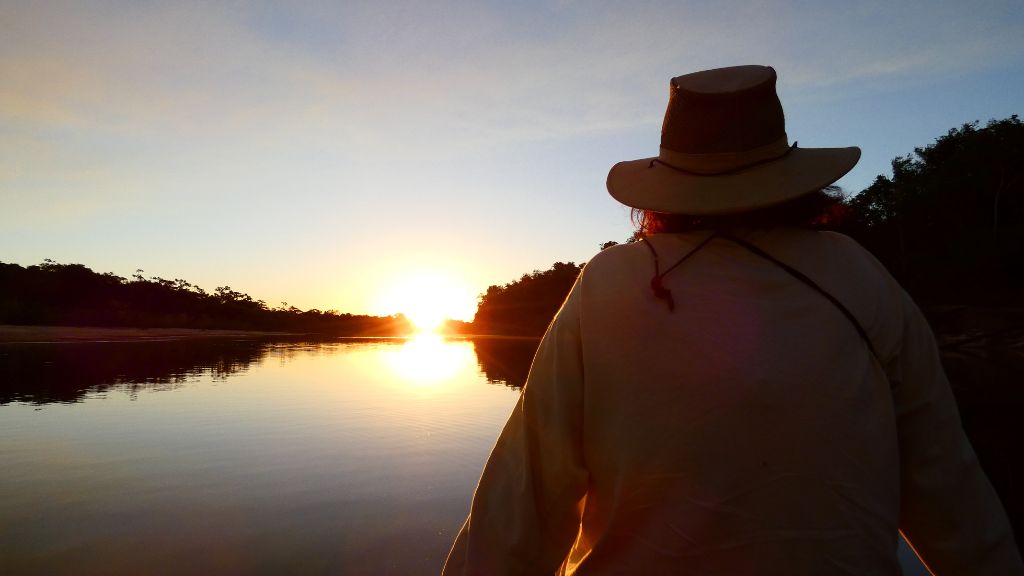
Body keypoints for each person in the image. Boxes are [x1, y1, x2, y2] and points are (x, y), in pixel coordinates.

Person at [442, 65, 1023, 575]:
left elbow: (523, 505)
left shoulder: (611, 282)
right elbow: (949, 492)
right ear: (787, 174)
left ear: (665, 186)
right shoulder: (861, 277)